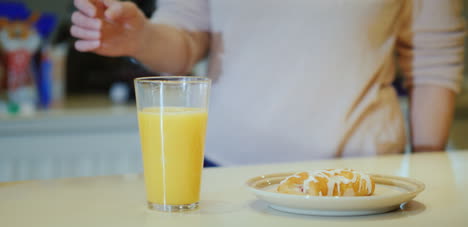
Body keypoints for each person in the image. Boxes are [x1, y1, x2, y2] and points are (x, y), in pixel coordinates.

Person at [71, 0, 465, 166]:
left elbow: (434, 58)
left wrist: (428, 171)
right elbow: (186, 37)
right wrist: (140, 38)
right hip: (225, 172)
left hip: (361, 180)